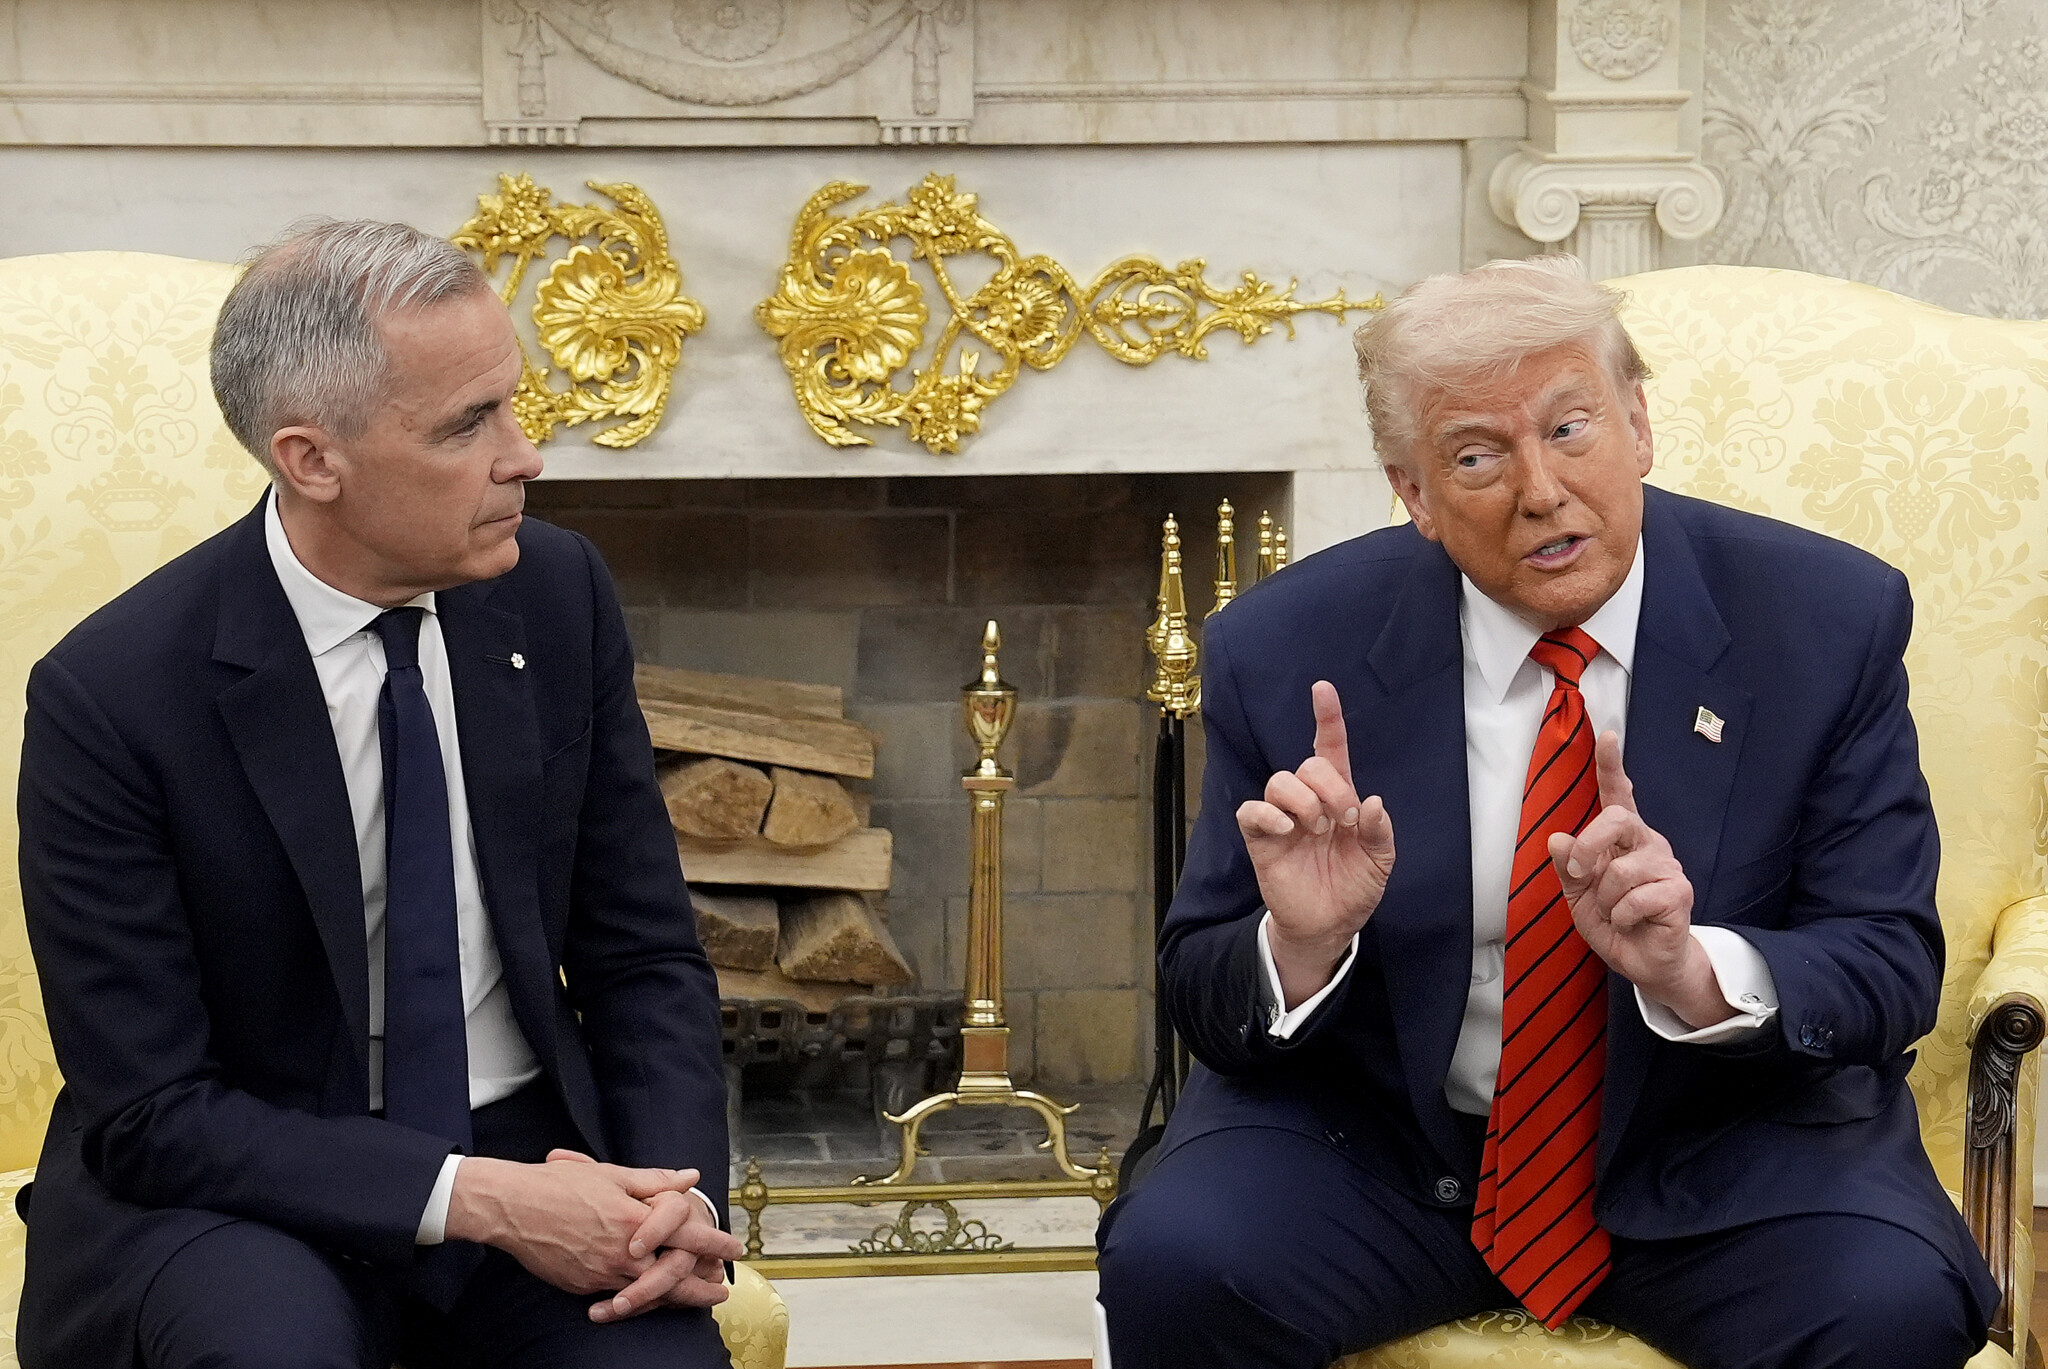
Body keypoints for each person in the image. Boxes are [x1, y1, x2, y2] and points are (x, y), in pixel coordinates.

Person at [1096, 256, 1999, 1368]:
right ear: (1414, 494)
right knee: (1176, 1262)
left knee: (1889, 1303)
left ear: (1638, 424)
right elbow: (1201, 988)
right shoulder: (1286, 647)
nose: (1539, 490)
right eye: (1475, 456)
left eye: (1570, 429)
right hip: (1376, 1152)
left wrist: (1692, 970)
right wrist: (1301, 942)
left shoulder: (1822, 620)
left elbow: (1887, 962)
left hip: (1721, 1150)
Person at [15, 220, 741, 1369]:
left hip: (532, 1144)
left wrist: (673, 1197)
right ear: (312, 460)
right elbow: (153, 1111)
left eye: (513, 403)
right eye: (468, 424)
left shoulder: (557, 596)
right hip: (240, 1183)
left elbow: (641, 955)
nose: (525, 455)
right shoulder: (112, 696)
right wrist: (481, 1199)